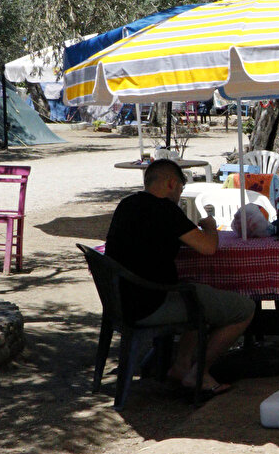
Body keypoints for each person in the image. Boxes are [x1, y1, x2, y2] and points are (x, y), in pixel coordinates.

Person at [105, 159, 254, 396]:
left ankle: (181, 366)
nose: (179, 195)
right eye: (181, 189)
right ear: (172, 183)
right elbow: (208, 247)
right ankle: (198, 374)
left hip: (121, 301)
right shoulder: (165, 209)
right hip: (151, 303)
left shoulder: (127, 204)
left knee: (198, 295)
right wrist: (211, 227)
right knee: (243, 309)